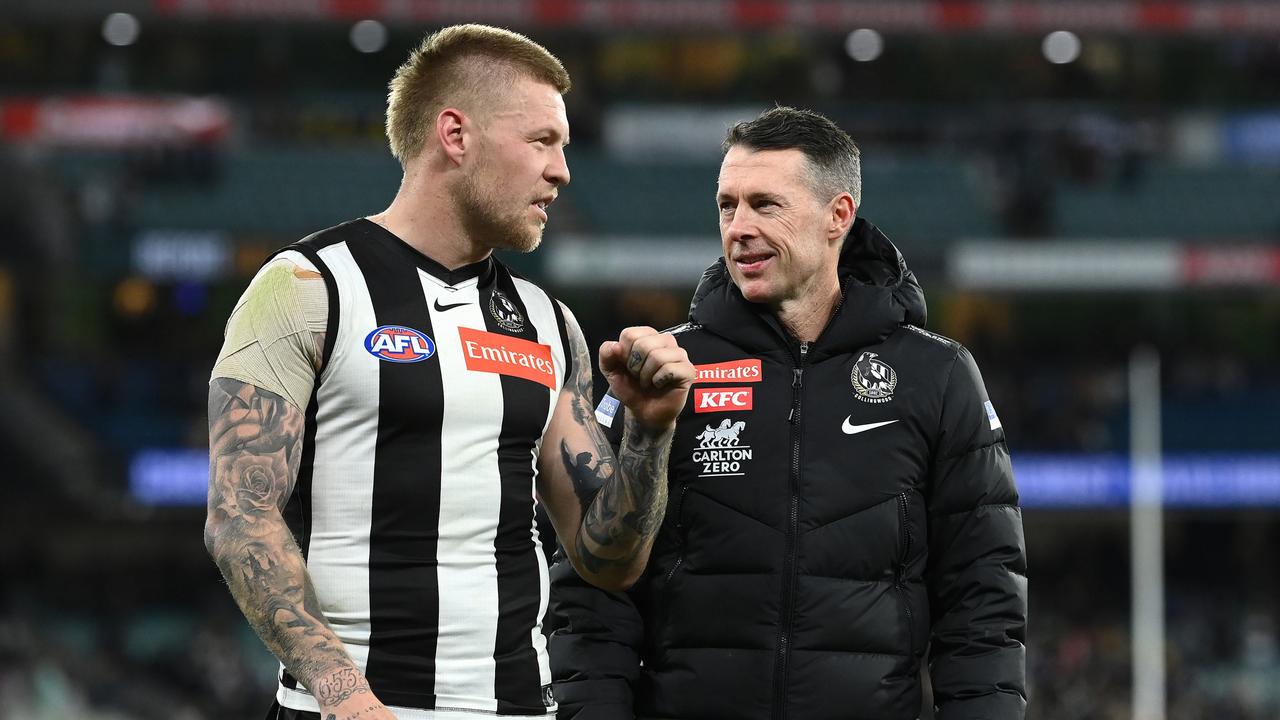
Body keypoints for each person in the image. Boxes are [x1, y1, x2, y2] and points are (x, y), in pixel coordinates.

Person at [204, 25, 695, 720]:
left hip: (520, 707)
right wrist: (349, 698)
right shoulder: (307, 288)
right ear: (456, 136)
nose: (562, 170)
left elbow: (606, 558)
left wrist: (649, 430)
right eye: (542, 141)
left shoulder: (549, 323)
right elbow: (238, 518)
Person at [546, 107, 1028, 719]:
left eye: (765, 204)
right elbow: (592, 595)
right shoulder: (663, 371)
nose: (738, 227)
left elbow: (982, 599)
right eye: (727, 206)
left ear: (838, 216)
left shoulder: (937, 375)